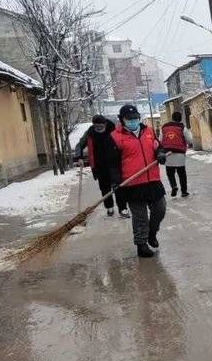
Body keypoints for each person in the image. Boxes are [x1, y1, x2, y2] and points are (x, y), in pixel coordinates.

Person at [108, 104, 167, 258]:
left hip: (152, 179)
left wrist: (160, 153)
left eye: (135, 118)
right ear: (122, 120)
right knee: (140, 216)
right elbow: (113, 164)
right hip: (132, 183)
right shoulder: (115, 137)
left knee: (160, 209)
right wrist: (116, 182)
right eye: (130, 119)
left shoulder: (148, 131)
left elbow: (157, 146)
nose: (133, 121)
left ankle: (152, 233)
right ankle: (141, 244)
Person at [74, 114, 129, 218]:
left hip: (114, 164)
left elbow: (125, 142)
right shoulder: (90, 133)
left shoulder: (114, 130)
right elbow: (79, 145)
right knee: (104, 188)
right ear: (93, 125)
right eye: (96, 127)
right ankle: (109, 207)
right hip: (99, 165)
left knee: (118, 187)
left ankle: (123, 208)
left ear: (105, 124)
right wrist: (79, 157)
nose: (99, 128)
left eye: (101, 126)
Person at [160, 111, 193, 197]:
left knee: (170, 173)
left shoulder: (164, 127)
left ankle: (174, 186)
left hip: (168, 154)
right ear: (180, 118)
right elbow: (189, 139)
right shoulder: (182, 127)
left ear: (172, 118)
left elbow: (160, 140)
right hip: (180, 154)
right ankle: (184, 191)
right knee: (181, 173)